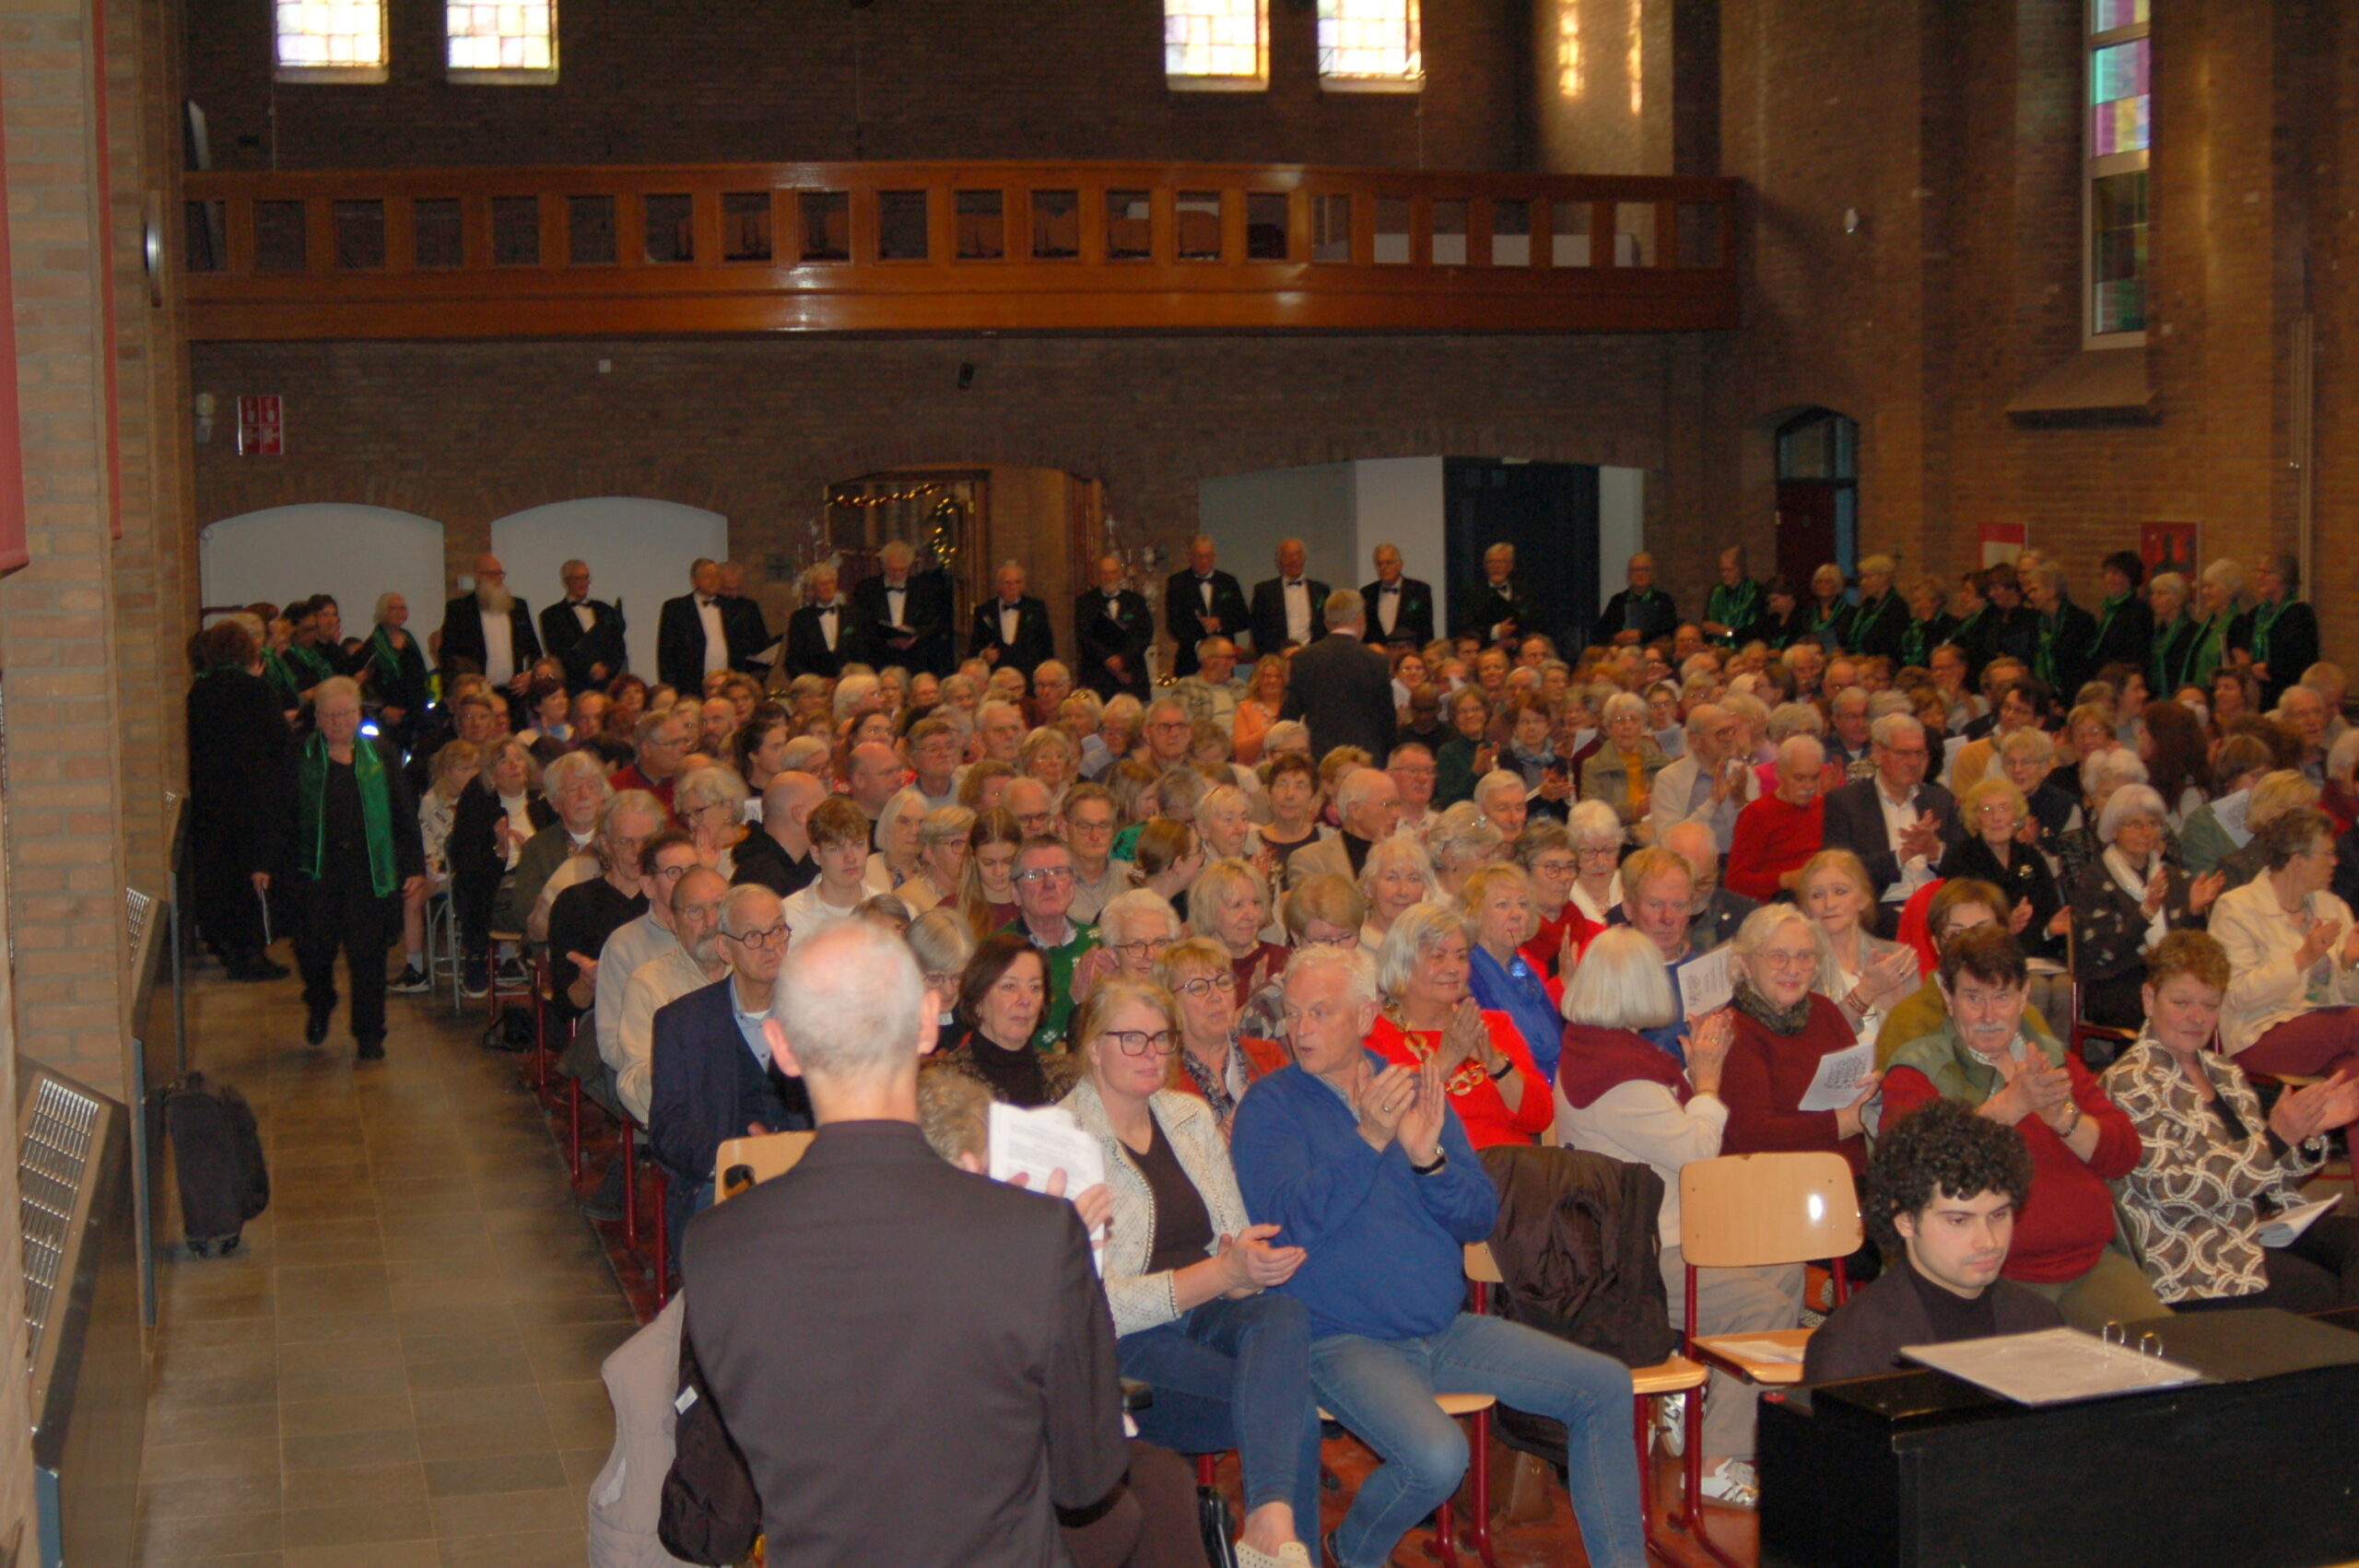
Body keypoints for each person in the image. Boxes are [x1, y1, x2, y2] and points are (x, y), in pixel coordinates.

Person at [680, 920, 1127, 1566]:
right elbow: (1086, 1478)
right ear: (925, 1024)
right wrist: (1060, 1265)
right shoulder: (1037, 1235)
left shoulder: (715, 1246)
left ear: (781, 1046)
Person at [1232, 946, 1644, 1568]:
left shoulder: (1413, 1088)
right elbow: (1287, 1225)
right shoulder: (1271, 1106)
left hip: (1440, 1329)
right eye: (1293, 1013)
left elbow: (1478, 1216)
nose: (1301, 1028)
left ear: (1366, 1015)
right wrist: (1370, 1138)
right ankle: (1352, 1553)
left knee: (1605, 1386)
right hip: (1336, 1338)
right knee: (1437, 1459)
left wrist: (1430, 1162)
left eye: (1320, 1011)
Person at [1059, 977, 1322, 1568]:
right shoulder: (1064, 1138)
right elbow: (1093, 1305)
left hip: (1208, 1308)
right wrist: (1220, 1274)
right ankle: (1273, 1533)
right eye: (1132, 1038)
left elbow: (1231, 1231)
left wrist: (1247, 1266)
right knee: (1292, 1413)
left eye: (1162, 1038)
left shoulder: (1188, 1116)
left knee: (1281, 1310)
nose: (1152, 1052)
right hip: (1125, 1343)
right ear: (1093, 1047)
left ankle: (1268, 1528)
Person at [1555, 928, 1797, 1505]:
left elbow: (1666, 1132)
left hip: (1660, 1229)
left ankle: (1698, 1400)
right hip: (1640, 1253)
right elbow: (1696, 1152)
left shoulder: (1600, 1051)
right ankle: (1714, 1461)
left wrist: (1693, 1078)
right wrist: (1708, 1080)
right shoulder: (1622, 1078)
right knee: (1761, 1307)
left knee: (1785, 1269)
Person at [1880, 927, 2160, 1328]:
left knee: (2165, 1353)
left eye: (2002, 997)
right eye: (1973, 997)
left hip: (2090, 1264)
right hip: (1986, 1276)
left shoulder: (2051, 1057)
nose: (1989, 1015)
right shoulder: (1917, 1068)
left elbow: (2124, 1154)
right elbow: (1912, 1170)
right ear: (1947, 996)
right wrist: (2011, 1105)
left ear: (2024, 995)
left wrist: (2063, 1118)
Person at [2100, 930, 2359, 1313]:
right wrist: (2275, 1139)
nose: (2197, 1017)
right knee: (2322, 1292)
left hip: (2259, 1227)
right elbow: (2173, 1189)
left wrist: (2308, 1132)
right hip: (2195, 1251)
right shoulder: (2129, 1081)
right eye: (2181, 1002)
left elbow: (2270, 1173)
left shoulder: (2224, 1073)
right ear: (2149, 999)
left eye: (2210, 1005)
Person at [1802, 1098, 2063, 1384]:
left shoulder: (2040, 1321)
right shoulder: (1853, 1346)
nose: (1988, 1241)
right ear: (1906, 1220)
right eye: (1959, 1221)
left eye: (1998, 1215)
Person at [648, 882, 811, 1249]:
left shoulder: (817, 1013)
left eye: (778, 930)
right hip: (725, 1183)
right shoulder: (682, 1022)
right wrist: (736, 1157)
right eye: (753, 936)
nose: (771, 945)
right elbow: (667, 1128)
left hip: (805, 1177)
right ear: (724, 948)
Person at [275, 676, 428, 1061]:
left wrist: (413, 866)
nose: (338, 722)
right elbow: (279, 815)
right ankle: (320, 1001)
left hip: (369, 873)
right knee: (314, 952)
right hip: (316, 874)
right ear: (317, 718)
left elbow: (403, 811)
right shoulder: (300, 755)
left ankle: (370, 1033)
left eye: (345, 713)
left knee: (368, 956)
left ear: (358, 714)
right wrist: (268, 863)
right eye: (330, 715)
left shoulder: (381, 754)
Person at [1367, 902, 1551, 1149]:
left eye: (1461, 956)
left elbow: (1540, 1118)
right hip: (1437, 1167)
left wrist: (1496, 1062)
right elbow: (1382, 1122)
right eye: (1438, 956)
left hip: (1513, 1164)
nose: (1454, 968)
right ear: (1402, 963)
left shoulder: (1493, 1025)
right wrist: (1445, 1062)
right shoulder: (1373, 1036)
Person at [1719, 904, 1881, 1177]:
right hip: (1773, 1185)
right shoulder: (1732, 1030)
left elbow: (1853, 1089)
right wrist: (1845, 1121)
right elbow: (1755, 1136)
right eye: (1778, 956)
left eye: (1804, 956)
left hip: (1846, 1177)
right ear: (1745, 964)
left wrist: (1871, 1088)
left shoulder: (1824, 1011)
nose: (1793, 969)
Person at [2209, 805, 2359, 1079]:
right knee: (2354, 1024)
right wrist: (2302, 959)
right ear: (2297, 860)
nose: (2335, 861)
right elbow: (2237, 995)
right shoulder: (2236, 909)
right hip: (2259, 1034)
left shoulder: (2334, 907)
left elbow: (2349, 999)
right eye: (2327, 853)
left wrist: (2350, 964)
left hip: (2329, 1033)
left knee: (2352, 1074)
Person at [186, 619, 295, 981]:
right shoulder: (257, 690)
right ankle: (251, 951)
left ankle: (226, 944)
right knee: (253, 873)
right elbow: (278, 744)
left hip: (212, 797)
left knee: (220, 873)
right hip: (253, 796)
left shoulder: (199, 693)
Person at [2066, 783, 2222, 1028]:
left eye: (2152, 824)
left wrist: (2194, 911)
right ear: (2113, 829)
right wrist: (2146, 911)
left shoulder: (2174, 876)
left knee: (2203, 997)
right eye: (2135, 824)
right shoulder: (2094, 879)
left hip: (2170, 979)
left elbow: (2188, 950)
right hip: (2115, 984)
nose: (2146, 832)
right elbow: (2103, 952)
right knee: (2168, 1004)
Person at [1820, 713, 1958, 930]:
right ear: (1877, 753)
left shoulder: (1940, 800)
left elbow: (1966, 863)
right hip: (1882, 909)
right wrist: (1901, 856)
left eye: (1919, 754)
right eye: (1903, 753)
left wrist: (1936, 852)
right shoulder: (1846, 803)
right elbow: (1841, 870)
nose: (1913, 762)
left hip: (1938, 907)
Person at [1156, 937, 1289, 1137]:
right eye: (1198, 987)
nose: (1216, 995)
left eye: (1224, 982)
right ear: (1169, 1002)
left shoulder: (1268, 1056)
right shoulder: (1161, 1077)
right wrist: (1216, 1141)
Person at [1795, 849, 1919, 1046]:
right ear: (1806, 908)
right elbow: (1811, 1042)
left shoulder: (1899, 958)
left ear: (1863, 899)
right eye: (1817, 895)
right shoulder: (1798, 970)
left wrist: (1895, 1011)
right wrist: (1866, 992)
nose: (1829, 904)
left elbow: (1922, 1038)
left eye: (1840, 891)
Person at [937, 931, 1073, 1107]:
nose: (1025, 999)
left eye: (1035, 987)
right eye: (1009, 986)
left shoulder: (1065, 1076)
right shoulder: (947, 1084)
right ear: (978, 1000)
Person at [1462, 864, 1564, 1083]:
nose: (1517, 914)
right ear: (1476, 914)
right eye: (1503, 904)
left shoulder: (1524, 972)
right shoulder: (1466, 978)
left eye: (1523, 904)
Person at [1277, 590, 1394, 765]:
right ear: (1360, 618)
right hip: (1365, 758)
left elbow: (1289, 717)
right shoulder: (1377, 661)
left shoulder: (1303, 659)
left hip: (1320, 756)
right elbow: (1387, 721)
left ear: (1327, 622)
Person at [1009, 836, 1101, 1048]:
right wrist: (1072, 999)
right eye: (1034, 875)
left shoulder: (1098, 941)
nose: (1049, 883)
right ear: (1015, 892)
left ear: (1073, 887)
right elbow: (1012, 1040)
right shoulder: (999, 953)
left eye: (1059, 872)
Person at [1727, 734, 1828, 900]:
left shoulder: (1827, 807)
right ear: (1779, 773)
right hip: (1780, 902)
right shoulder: (1757, 814)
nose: (1809, 786)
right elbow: (1735, 882)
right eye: (1799, 778)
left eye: (1815, 777)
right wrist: (1784, 880)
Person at [1649, 702, 1755, 855]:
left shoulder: (1743, 773)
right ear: (1695, 740)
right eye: (1721, 733)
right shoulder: (1669, 778)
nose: (1729, 739)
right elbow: (1667, 839)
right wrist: (1712, 803)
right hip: (1689, 863)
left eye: (1731, 731)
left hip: (1737, 860)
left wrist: (1741, 802)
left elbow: (1756, 832)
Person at [783, 795, 890, 942]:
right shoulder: (790, 916)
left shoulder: (889, 910)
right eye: (836, 848)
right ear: (816, 854)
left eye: (858, 844)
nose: (850, 858)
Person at [438, 553, 541, 696]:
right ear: (478, 575)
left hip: (515, 692)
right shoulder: (459, 609)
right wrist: (469, 679)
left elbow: (534, 649)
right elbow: (448, 654)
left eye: (500, 574)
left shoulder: (518, 607)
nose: (498, 579)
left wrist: (530, 675)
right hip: (478, 692)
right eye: (492, 574)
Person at [851, 538, 956, 676]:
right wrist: (887, 639)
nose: (897, 575)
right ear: (883, 566)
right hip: (878, 658)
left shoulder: (924, 589)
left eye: (902, 570)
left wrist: (915, 636)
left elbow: (932, 621)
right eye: (892, 569)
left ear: (910, 566)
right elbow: (861, 623)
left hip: (916, 660)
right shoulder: (866, 589)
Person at [2233, 552, 2319, 711]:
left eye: (2266, 572)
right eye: (2258, 571)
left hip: (2285, 694)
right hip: (2255, 694)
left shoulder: (2299, 614)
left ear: (2284, 577)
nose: (2259, 577)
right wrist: (2248, 664)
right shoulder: (2256, 614)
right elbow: (2241, 652)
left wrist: (2269, 669)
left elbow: (2300, 659)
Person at [1284, 767, 1397, 889]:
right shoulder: (1310, 860)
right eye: (1387, 805)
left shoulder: (1402, 854)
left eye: (1397, 804)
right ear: (1355, 810)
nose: (1396, 813)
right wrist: (1374, 863)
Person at [1167, 535, 1251, 679]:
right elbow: (1174, 624)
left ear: (1214, 557)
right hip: (1190, 661)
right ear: (1190, 557)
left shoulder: (1228, 582)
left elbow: (1244, 618)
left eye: (1207, 556)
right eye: (1198, 557)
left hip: (1224, 661)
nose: (1203, 561)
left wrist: (1220, 622)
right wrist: (1199, 645)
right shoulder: (1177, 583)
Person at [540, 557, 628, 692]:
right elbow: (558, 652)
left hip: (608, 686)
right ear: (566, 582)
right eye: (579, 578)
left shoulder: (606, 610)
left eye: (586, 578)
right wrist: (589, 669)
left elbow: (618, 646)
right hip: (574, 687)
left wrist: (607, 668)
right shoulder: (551, 615)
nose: (585, 583)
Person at [1075, 553, 1156, 700]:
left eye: (1113, 572)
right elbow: (1084, 636)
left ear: (1121, 574)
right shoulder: (1085, 603)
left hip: (1130, 677)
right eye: (1104, 573)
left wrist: (1123, 659)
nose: (1109, 577)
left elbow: (1144, 635)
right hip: (1097, 678)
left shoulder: (1136, 602)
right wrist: (1108, 659)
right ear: (1098, 576)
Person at [357, 591, 432, 743]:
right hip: (388, 719)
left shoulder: (409, 641)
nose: (399, 612)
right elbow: (362, 685)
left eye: (402, 608)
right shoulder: (372, 646)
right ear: (382, 612)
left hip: (415, 715)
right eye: (393, 608)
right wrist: (383, 709)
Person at [970, 559, 1056, 679]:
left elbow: (1046, 645)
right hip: (996, 676)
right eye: (1008, 583)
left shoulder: (1036, 608)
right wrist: (983, 655)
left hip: (1029, 675)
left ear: (1024, 584)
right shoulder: (984, 611)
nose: (1013, 587)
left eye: (1017, 582)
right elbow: (974, 647)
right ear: (998, 585)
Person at [1249, 538, 1328, 656]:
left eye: (1298, 555)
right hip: (1277, 657)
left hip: (1314, 655)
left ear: (1304, 558)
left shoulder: (1321, 590)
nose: (1294, 560)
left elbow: (1326, 625)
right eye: (1288, 556)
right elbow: (1257, 629)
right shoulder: (1264, 591)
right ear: (1279, 561)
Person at [782, 560, 858, 678]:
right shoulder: (801, 618)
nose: (828, 587)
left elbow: (862, 650)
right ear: (812, 589)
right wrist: (814, 682)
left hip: (850, 680)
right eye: (822, 584)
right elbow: (793, 659)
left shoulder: (853, 615)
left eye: (831, 582)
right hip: (815, 682)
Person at [1360, 542, 1435, 651]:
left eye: (1388, 563)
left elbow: (1426, 629)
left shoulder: (1419, 591)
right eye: (1379, 564)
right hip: (1376, 656)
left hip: (1409, 654)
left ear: (1400, 565)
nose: (1383, 567)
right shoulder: (1366, 593)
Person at [1595, 551, 1674, 648]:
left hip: (1653, 650)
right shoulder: (1618, 600)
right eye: (1635, 570)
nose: (1640, 574)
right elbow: (1599, 633)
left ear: (1652, 573)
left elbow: (1669, 630)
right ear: (1629, 574)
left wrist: (1642, 636)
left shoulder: (1663, 600)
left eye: (1644, 569)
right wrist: (1615, 638)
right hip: (1623, 651)